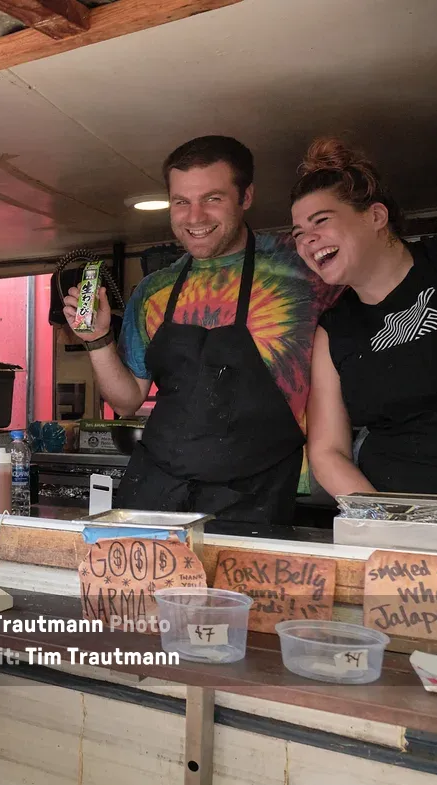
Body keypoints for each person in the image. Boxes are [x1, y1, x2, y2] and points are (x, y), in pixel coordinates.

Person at [63, 136, 340, 524]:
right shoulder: (153, 290)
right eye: (181, 202)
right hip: (156, 489)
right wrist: (96, 338)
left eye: (212, 198)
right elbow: (126, 401)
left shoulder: (303, 268)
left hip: (256, 492)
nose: (194, 217)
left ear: (246, 197)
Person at [293, 137, 437, 496]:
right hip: (398, 525)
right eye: (299, 234)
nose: (308, 240)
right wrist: (384, 523)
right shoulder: (334, 330)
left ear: (376, 216)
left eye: (321, 221)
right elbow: (327, 451)